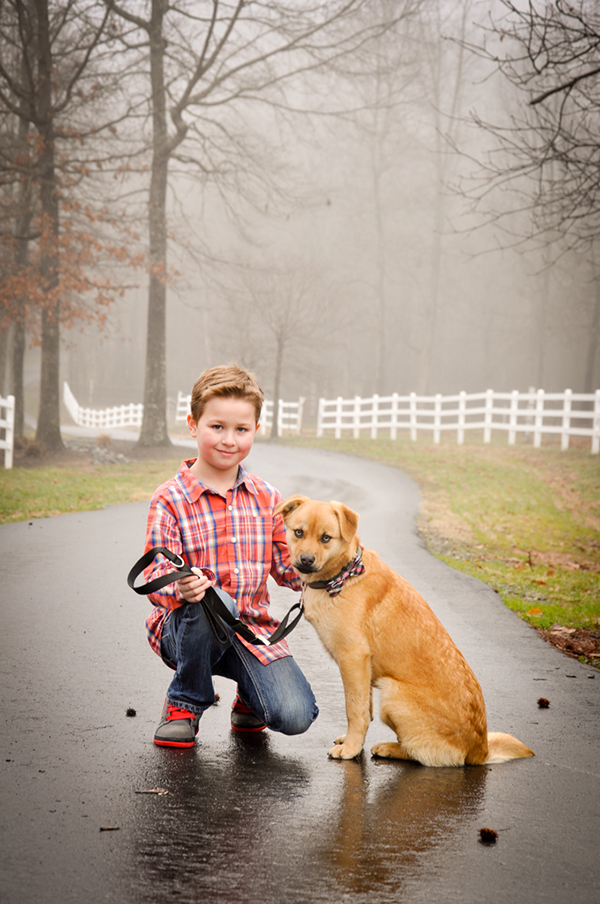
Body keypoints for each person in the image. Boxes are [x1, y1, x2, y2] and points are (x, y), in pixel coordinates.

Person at [142, 363, 318, 747]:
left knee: (296, 714)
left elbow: (288, 569)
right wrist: (181, 585)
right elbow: (155, 574)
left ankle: (249, 696)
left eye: (241, 429)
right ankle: (184, 702)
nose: (229, 440)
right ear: (193, 424)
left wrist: (324, 564)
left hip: (250, 631)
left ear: (255, 429)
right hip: (186, 629)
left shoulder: (268, 498)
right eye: (216, 427)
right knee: (212, 599)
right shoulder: (169, 499)